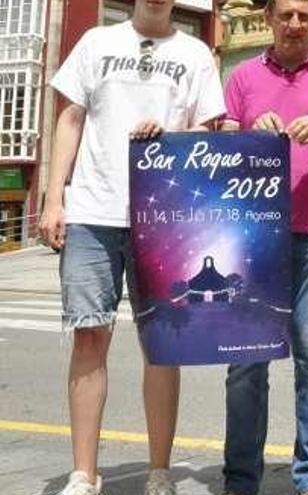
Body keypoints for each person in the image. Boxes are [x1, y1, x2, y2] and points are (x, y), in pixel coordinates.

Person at [37, 1, 226, 494]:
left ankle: (159, 471)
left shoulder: (195, 53)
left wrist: (171, 133)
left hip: (163, 215)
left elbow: (209, 130)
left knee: (162, 346)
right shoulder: (97, 42)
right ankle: (83, 474)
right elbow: (71, 118)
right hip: (93, 213)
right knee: (88, 337)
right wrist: (54, 198)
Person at [218, 0, 308, 493]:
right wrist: (246, 135)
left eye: (304, 15)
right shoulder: (241, 78)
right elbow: (219, 151)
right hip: (253, 238)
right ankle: (241, 478)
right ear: (269, 19)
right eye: (285, 15)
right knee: (245, 361)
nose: (295, 24)